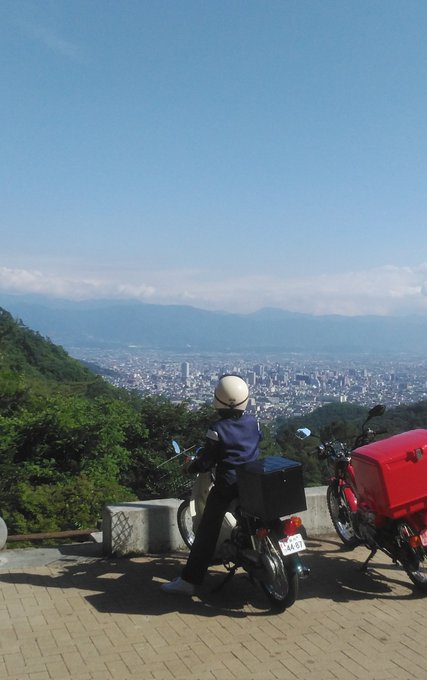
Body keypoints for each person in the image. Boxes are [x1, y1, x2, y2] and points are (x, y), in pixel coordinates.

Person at [161, 374, 262, 595]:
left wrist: (190, 467)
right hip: (254, 481)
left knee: (207, 530)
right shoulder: (253, 422)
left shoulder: (217, 429)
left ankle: (189, 580)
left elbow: (206, 462)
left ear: (218, 400)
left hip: (228, 485)